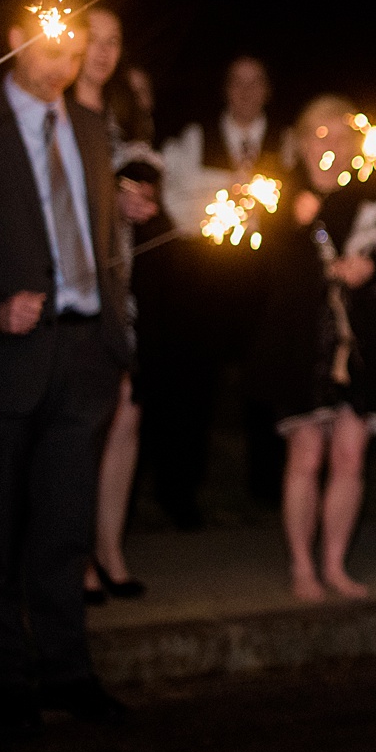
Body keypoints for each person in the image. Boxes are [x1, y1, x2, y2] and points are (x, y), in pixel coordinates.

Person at [0, 7, 131, 736]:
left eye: (78, 44)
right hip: (3, 358)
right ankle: (7, 678)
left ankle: (69, 672)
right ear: (14, 38)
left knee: (65, 530)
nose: (67, 56)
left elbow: (99, 232)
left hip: (82, 354)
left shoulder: (94, 130)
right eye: (53, 40)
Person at [254, 95, 376, 601]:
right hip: (301, 346)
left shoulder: (372, 199)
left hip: (358, 347)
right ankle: (302, 568)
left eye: (341, 136)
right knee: (306, 455)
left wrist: (369, 269)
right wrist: (294, 226)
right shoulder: (277, 197)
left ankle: (335, 564)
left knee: (349, 456)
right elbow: (262, 275)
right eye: (319, 135)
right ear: (299, 142)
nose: (330, 147)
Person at [151, 54, 284, 524]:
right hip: (204, 282)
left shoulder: (286, 144)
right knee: (192, 388)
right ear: (225, 89)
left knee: (267, 387)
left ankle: (268, 490)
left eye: (256, 82)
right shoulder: (193, 138)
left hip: (266, 283)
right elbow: (177, 197)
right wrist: (229, 186)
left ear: (268, 89)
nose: (246, 92)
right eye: (236, 83)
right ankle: (180, 492)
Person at [71, 7, 161, 602]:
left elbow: (144, 182)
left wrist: (141, 199)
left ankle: (110, 547)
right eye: (92, 39)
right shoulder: (56, 112)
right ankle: (73, 554)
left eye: (114, 41)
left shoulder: (122, 113)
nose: (103, 52)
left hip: (121, 282)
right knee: (84, 417)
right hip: (73, 283)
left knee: (126, 411)